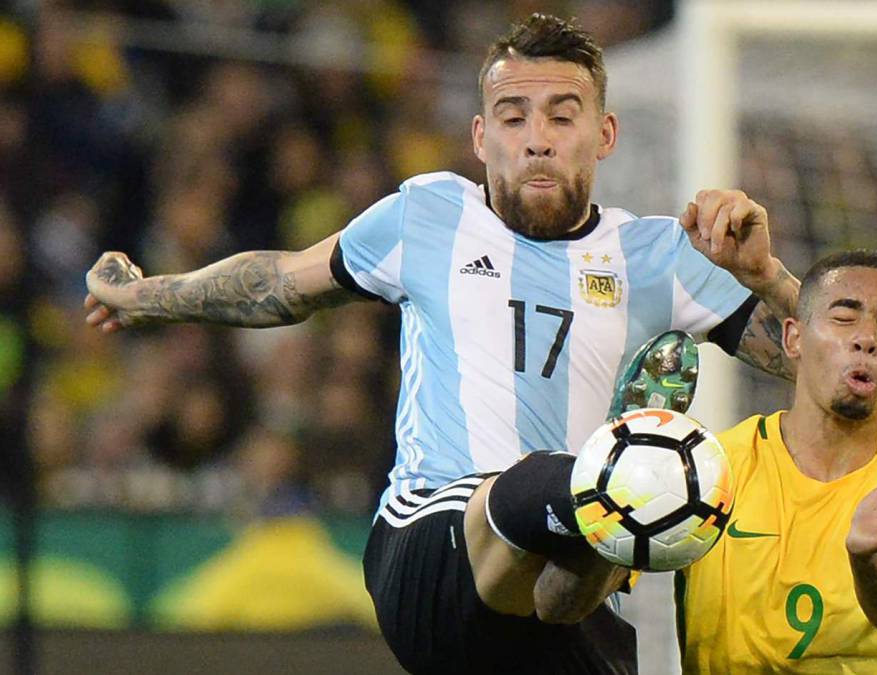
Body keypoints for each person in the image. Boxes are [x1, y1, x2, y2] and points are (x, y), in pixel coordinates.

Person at [83, 14, 800, 673]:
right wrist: (149, 297)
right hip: (429, 542)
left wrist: (767, 275)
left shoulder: (657, 254)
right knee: (608, 476)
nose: (537, 137)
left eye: (562, 114)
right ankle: (602, 515)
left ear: (605, 134)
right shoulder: (428, 214)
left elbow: (824, 361)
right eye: (513, 117)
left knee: (610, 502)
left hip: (563, 586)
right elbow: (284, 280)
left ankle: (594, 559)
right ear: (482, 137)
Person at [676, 249, 877, 674]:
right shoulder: (711, 467)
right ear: (793, 339)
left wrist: (872, 559)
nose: (866, 338)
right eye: (844, 319)